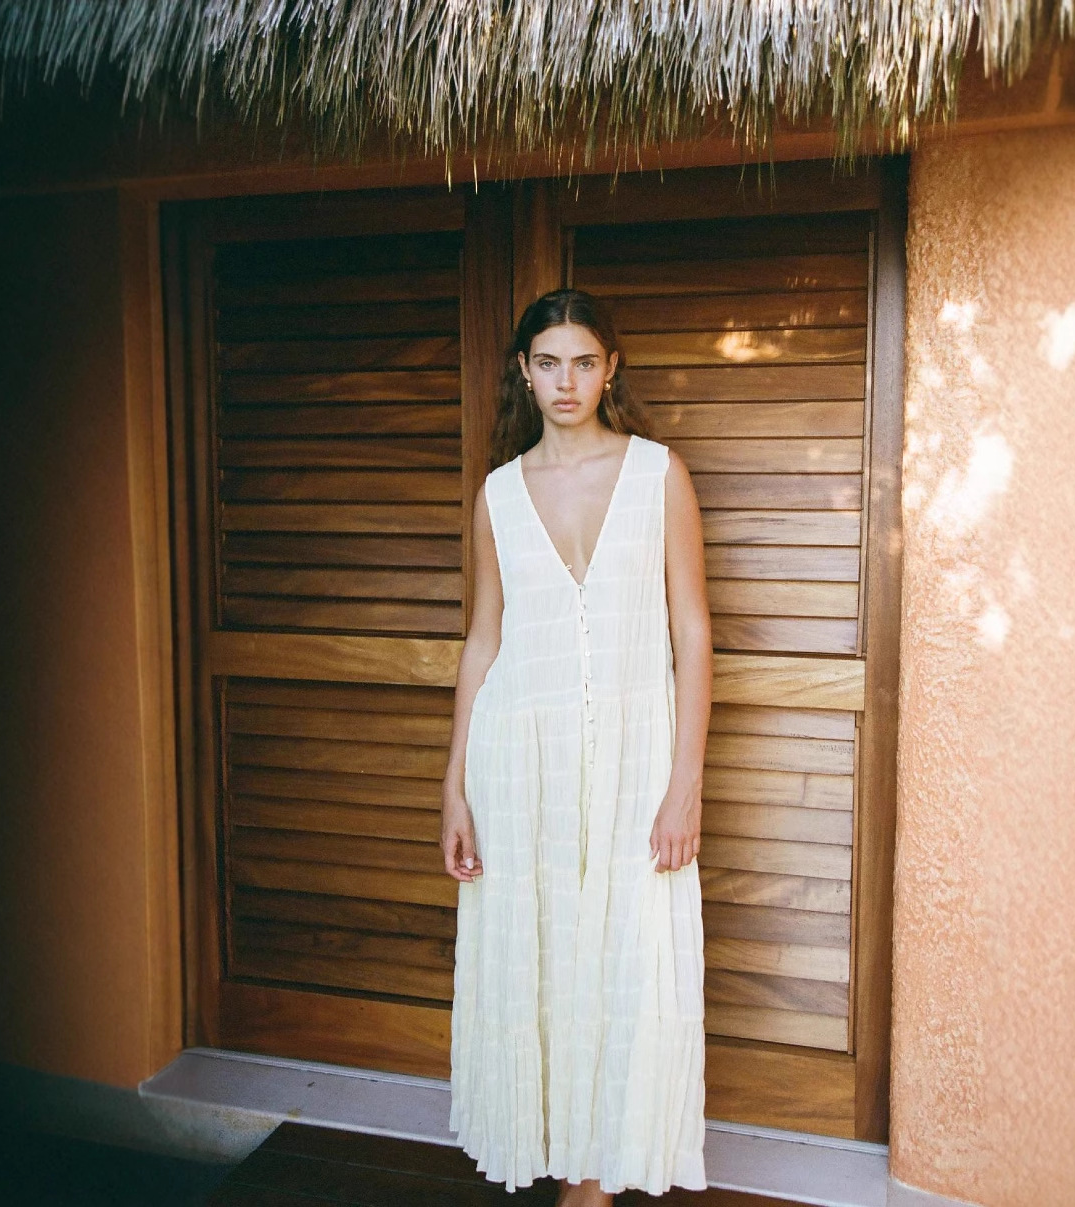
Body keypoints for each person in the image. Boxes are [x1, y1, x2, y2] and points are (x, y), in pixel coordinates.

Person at [441, 288, 712, 1204]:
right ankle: (573, 1175)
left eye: (584, 362)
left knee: (628, 956)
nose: (566, 382)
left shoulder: (657, 475)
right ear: (524, 372)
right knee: (545, 955)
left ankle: (590, 1182)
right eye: (548, 363)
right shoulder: (497, 493)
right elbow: (484, 638)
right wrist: (454, 785)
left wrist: (684, 784)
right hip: (522, 763)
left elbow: (693, 633)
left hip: (637, 761)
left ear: (610, 368)